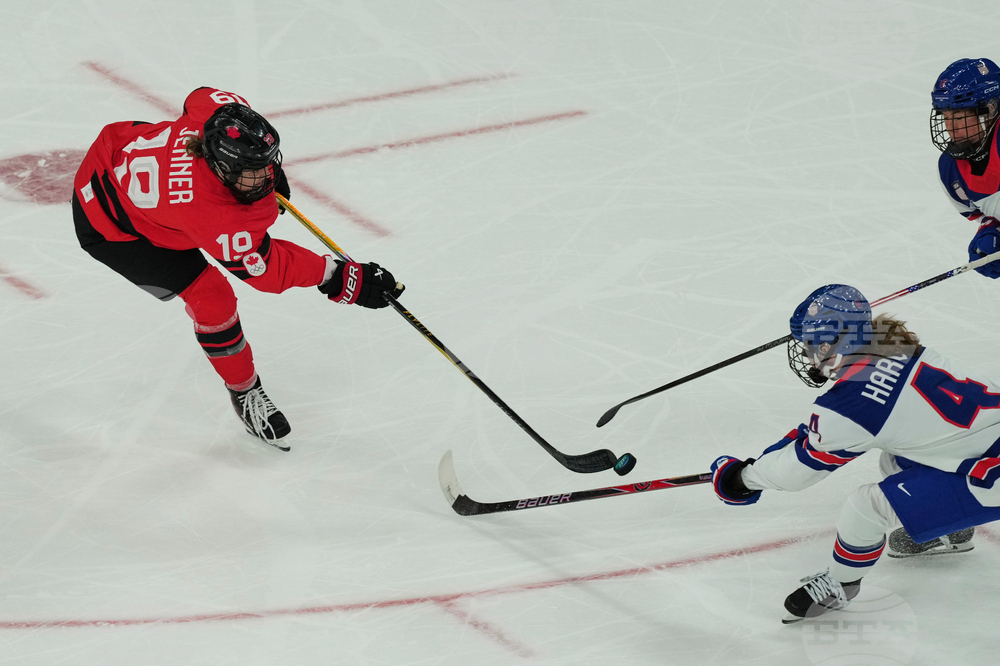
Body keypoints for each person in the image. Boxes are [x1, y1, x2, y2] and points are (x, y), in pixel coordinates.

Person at [72, 87, 404, 452]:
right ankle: (245, 391)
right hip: (113, 225)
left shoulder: (216, 115)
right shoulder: (213, 215)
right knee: (213, 298)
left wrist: (261, 172)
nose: (265, 177)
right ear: (220, 166)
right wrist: (338, 276)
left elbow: (200, 96)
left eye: (268, 163)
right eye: (252, 171)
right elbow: (269, 272)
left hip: (119, 151)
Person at [710, 285, 1000, 623]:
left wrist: (743, 478)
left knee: (866, 508)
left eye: (807, 343)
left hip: (988, 470)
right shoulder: (894, 345)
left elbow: (798, 470)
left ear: (829, 343)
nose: (804, 353)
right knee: (896, 460)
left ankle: (841, 584)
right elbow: (823, 433)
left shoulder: (851, 408)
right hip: (981, 441)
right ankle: (948, 530)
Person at [931, 58, 1000, 275]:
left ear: (990, 110)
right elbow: (984, 214)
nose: (951, 128)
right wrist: (990, 232)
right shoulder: (950, 171)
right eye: (946, 117)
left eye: (959, 117)